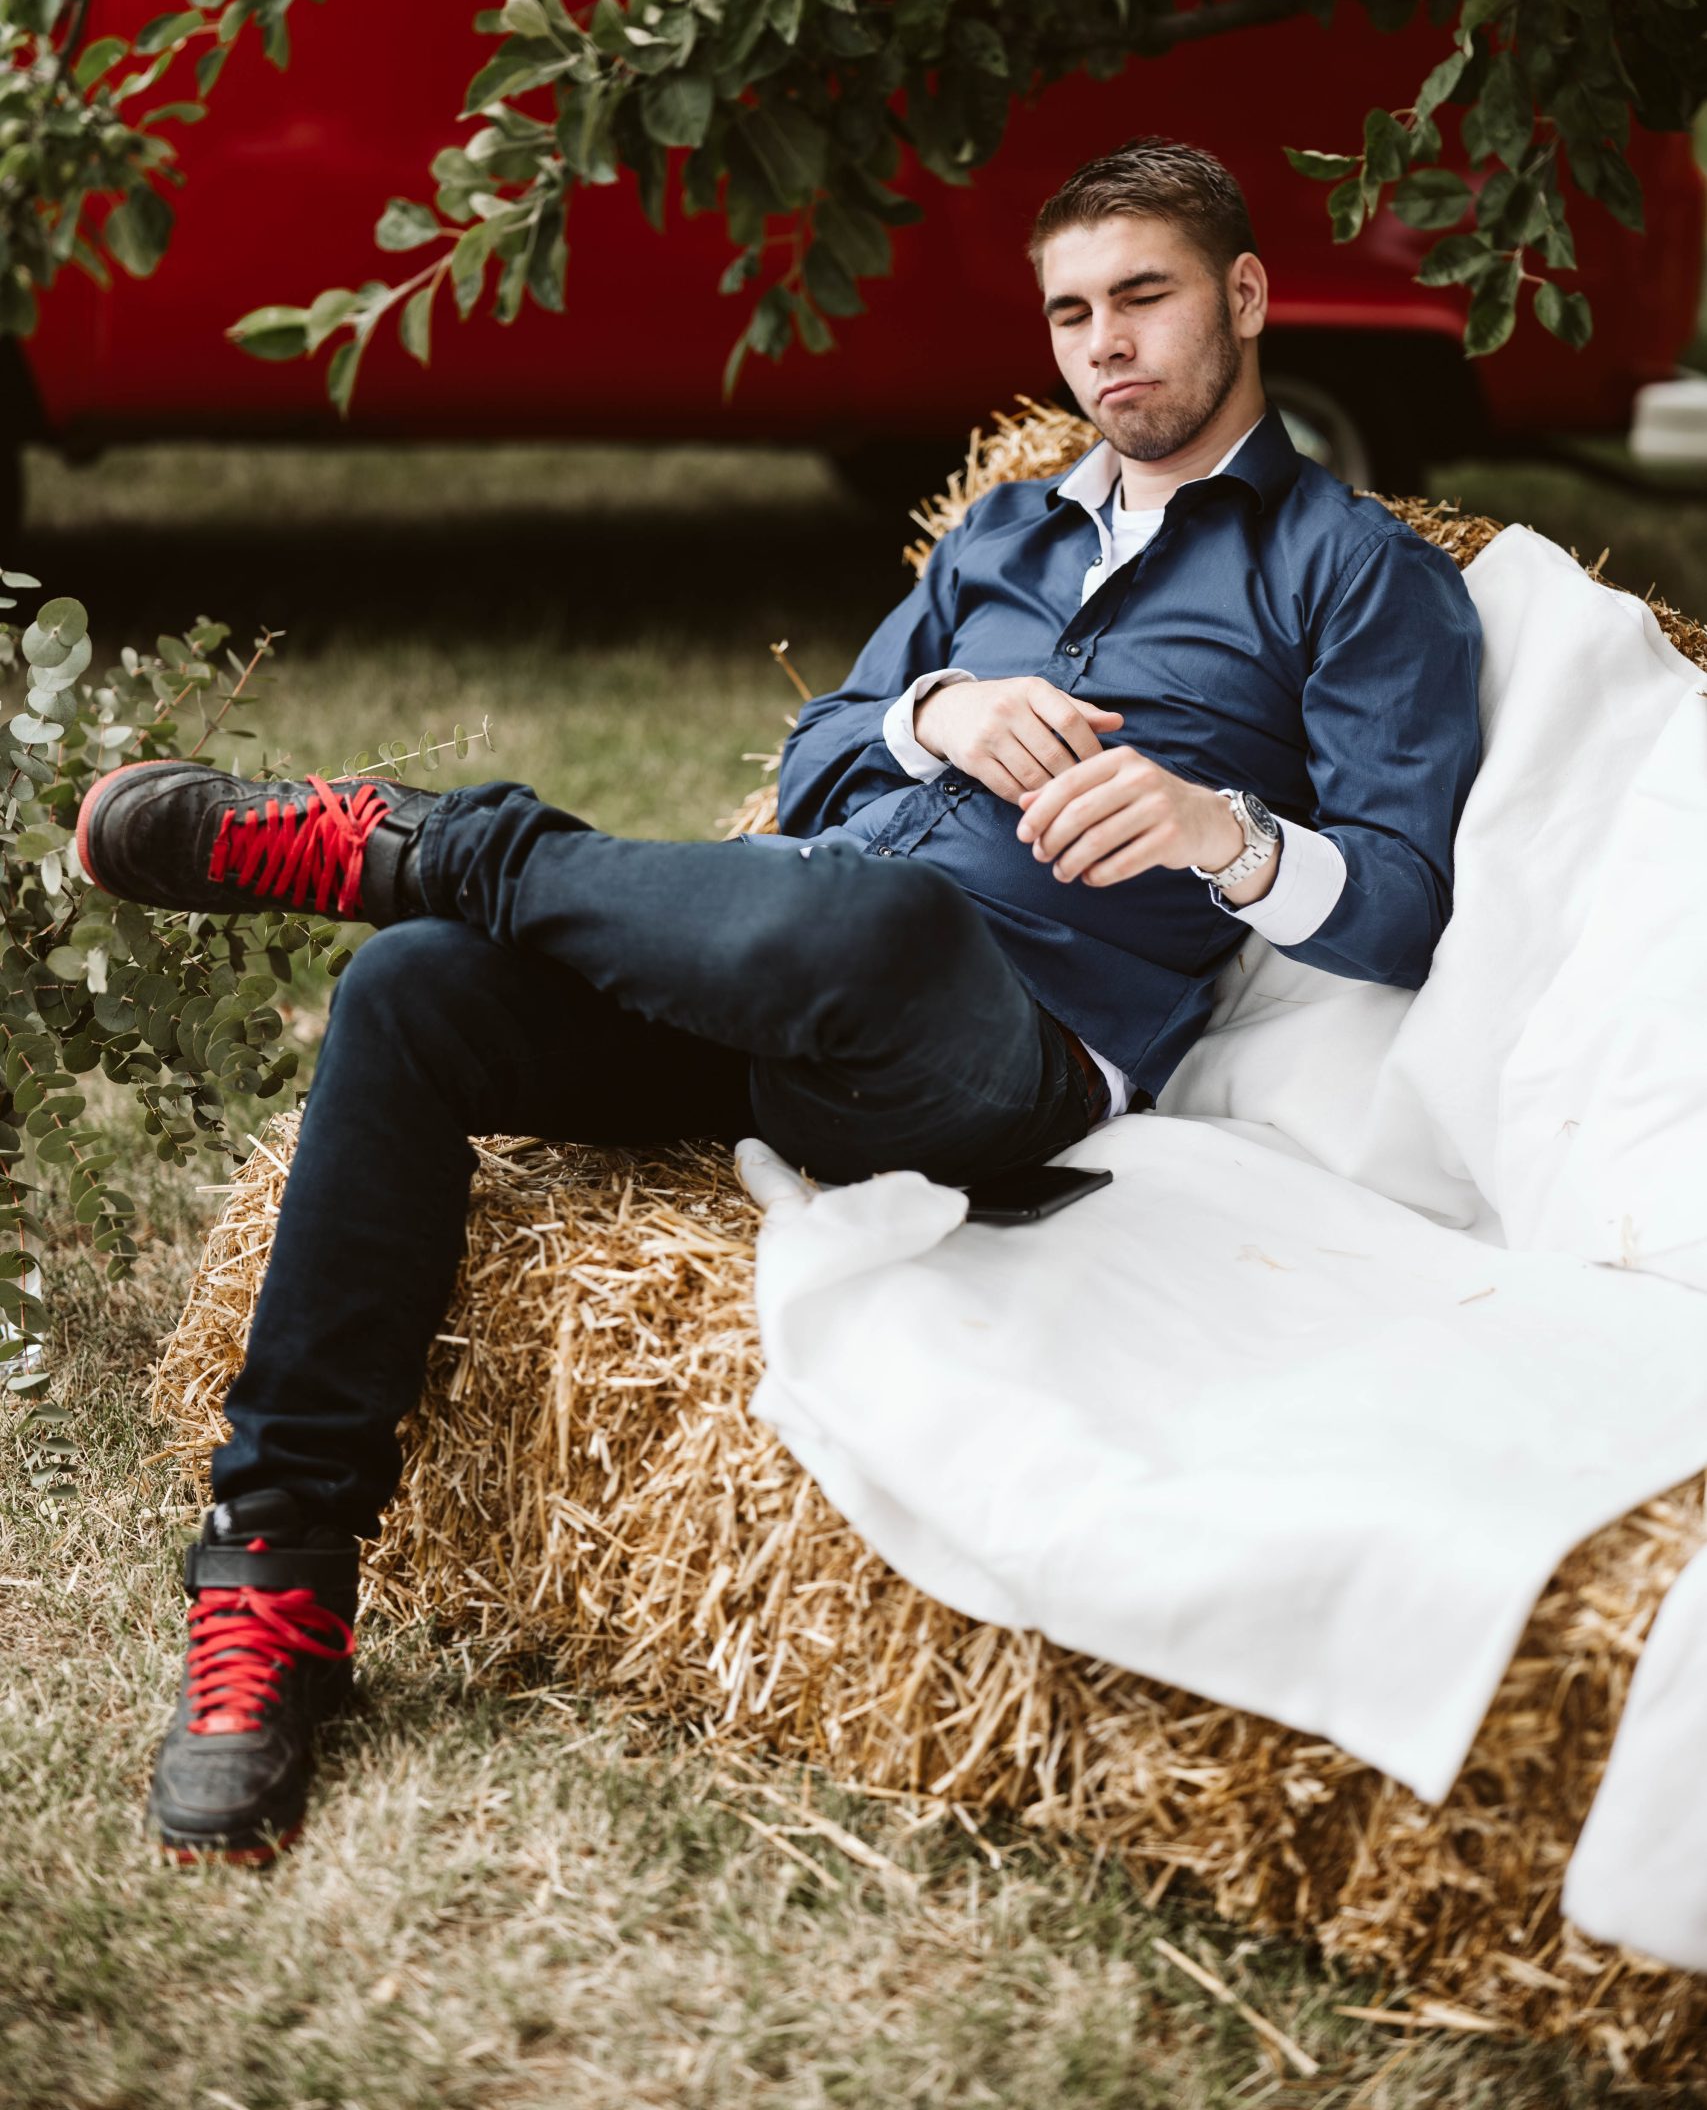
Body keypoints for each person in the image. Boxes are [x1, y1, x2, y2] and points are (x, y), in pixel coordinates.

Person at [79, 136, 1482, 1864]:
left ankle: (432, 843)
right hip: (781, 968)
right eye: (1071, 314)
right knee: (414, 989)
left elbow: (1405, 909)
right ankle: (276, 1588)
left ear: (1246, 297)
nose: (1107, 345)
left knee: (876, 923)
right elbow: (820, 748)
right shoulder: (1003, 534)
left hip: (1004, 1048)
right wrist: (935, 714)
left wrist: (1227, 836)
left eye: (1146, 297)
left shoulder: (1355, 568)